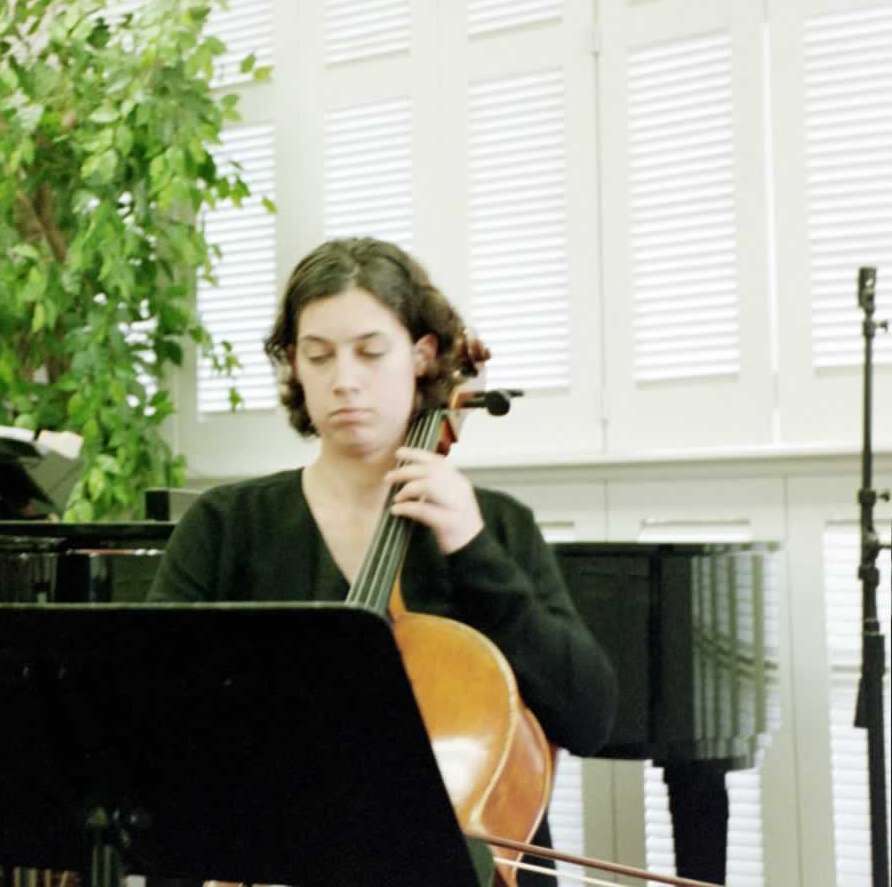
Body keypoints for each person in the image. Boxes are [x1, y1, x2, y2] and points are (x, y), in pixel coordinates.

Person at [148, 237, 618, 885]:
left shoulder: (497, 527)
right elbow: (150, 724)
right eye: (318, 356)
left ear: (423, 357)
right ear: (295, 366)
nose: (345, 379)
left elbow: (587, 717)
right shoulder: (228, 527)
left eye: (371, 353)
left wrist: (474, 551)